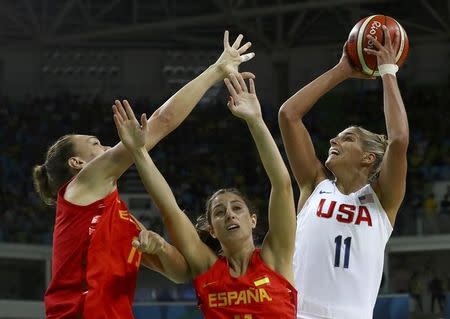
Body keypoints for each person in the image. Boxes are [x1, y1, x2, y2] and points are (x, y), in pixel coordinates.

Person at [32, 31, 255, 319]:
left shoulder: (118, 216)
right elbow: (162, 122)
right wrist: (217, 70)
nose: (109, 145)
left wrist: (160, 246)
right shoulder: (81, 186)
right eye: (96, 144)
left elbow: (181, 272)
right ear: (77, 162)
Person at [114, 72, 297, 318]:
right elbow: (170, 209)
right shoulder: (206, 268)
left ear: (253, 220)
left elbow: (282, 185)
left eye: (237, 208)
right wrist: (138, 152)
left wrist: (256, 121)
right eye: (220, 213)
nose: (230, 215)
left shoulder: (276, 258)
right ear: (212, 229)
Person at [278, 26, 409, 319]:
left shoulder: (383, 200)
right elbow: (288, 115)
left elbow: (399, 140)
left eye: (347, 138)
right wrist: (341, 70)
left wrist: (388, 70)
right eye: (337, 137)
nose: (334, 141)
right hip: (298, 313)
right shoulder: (314, 184)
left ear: (368, 158)